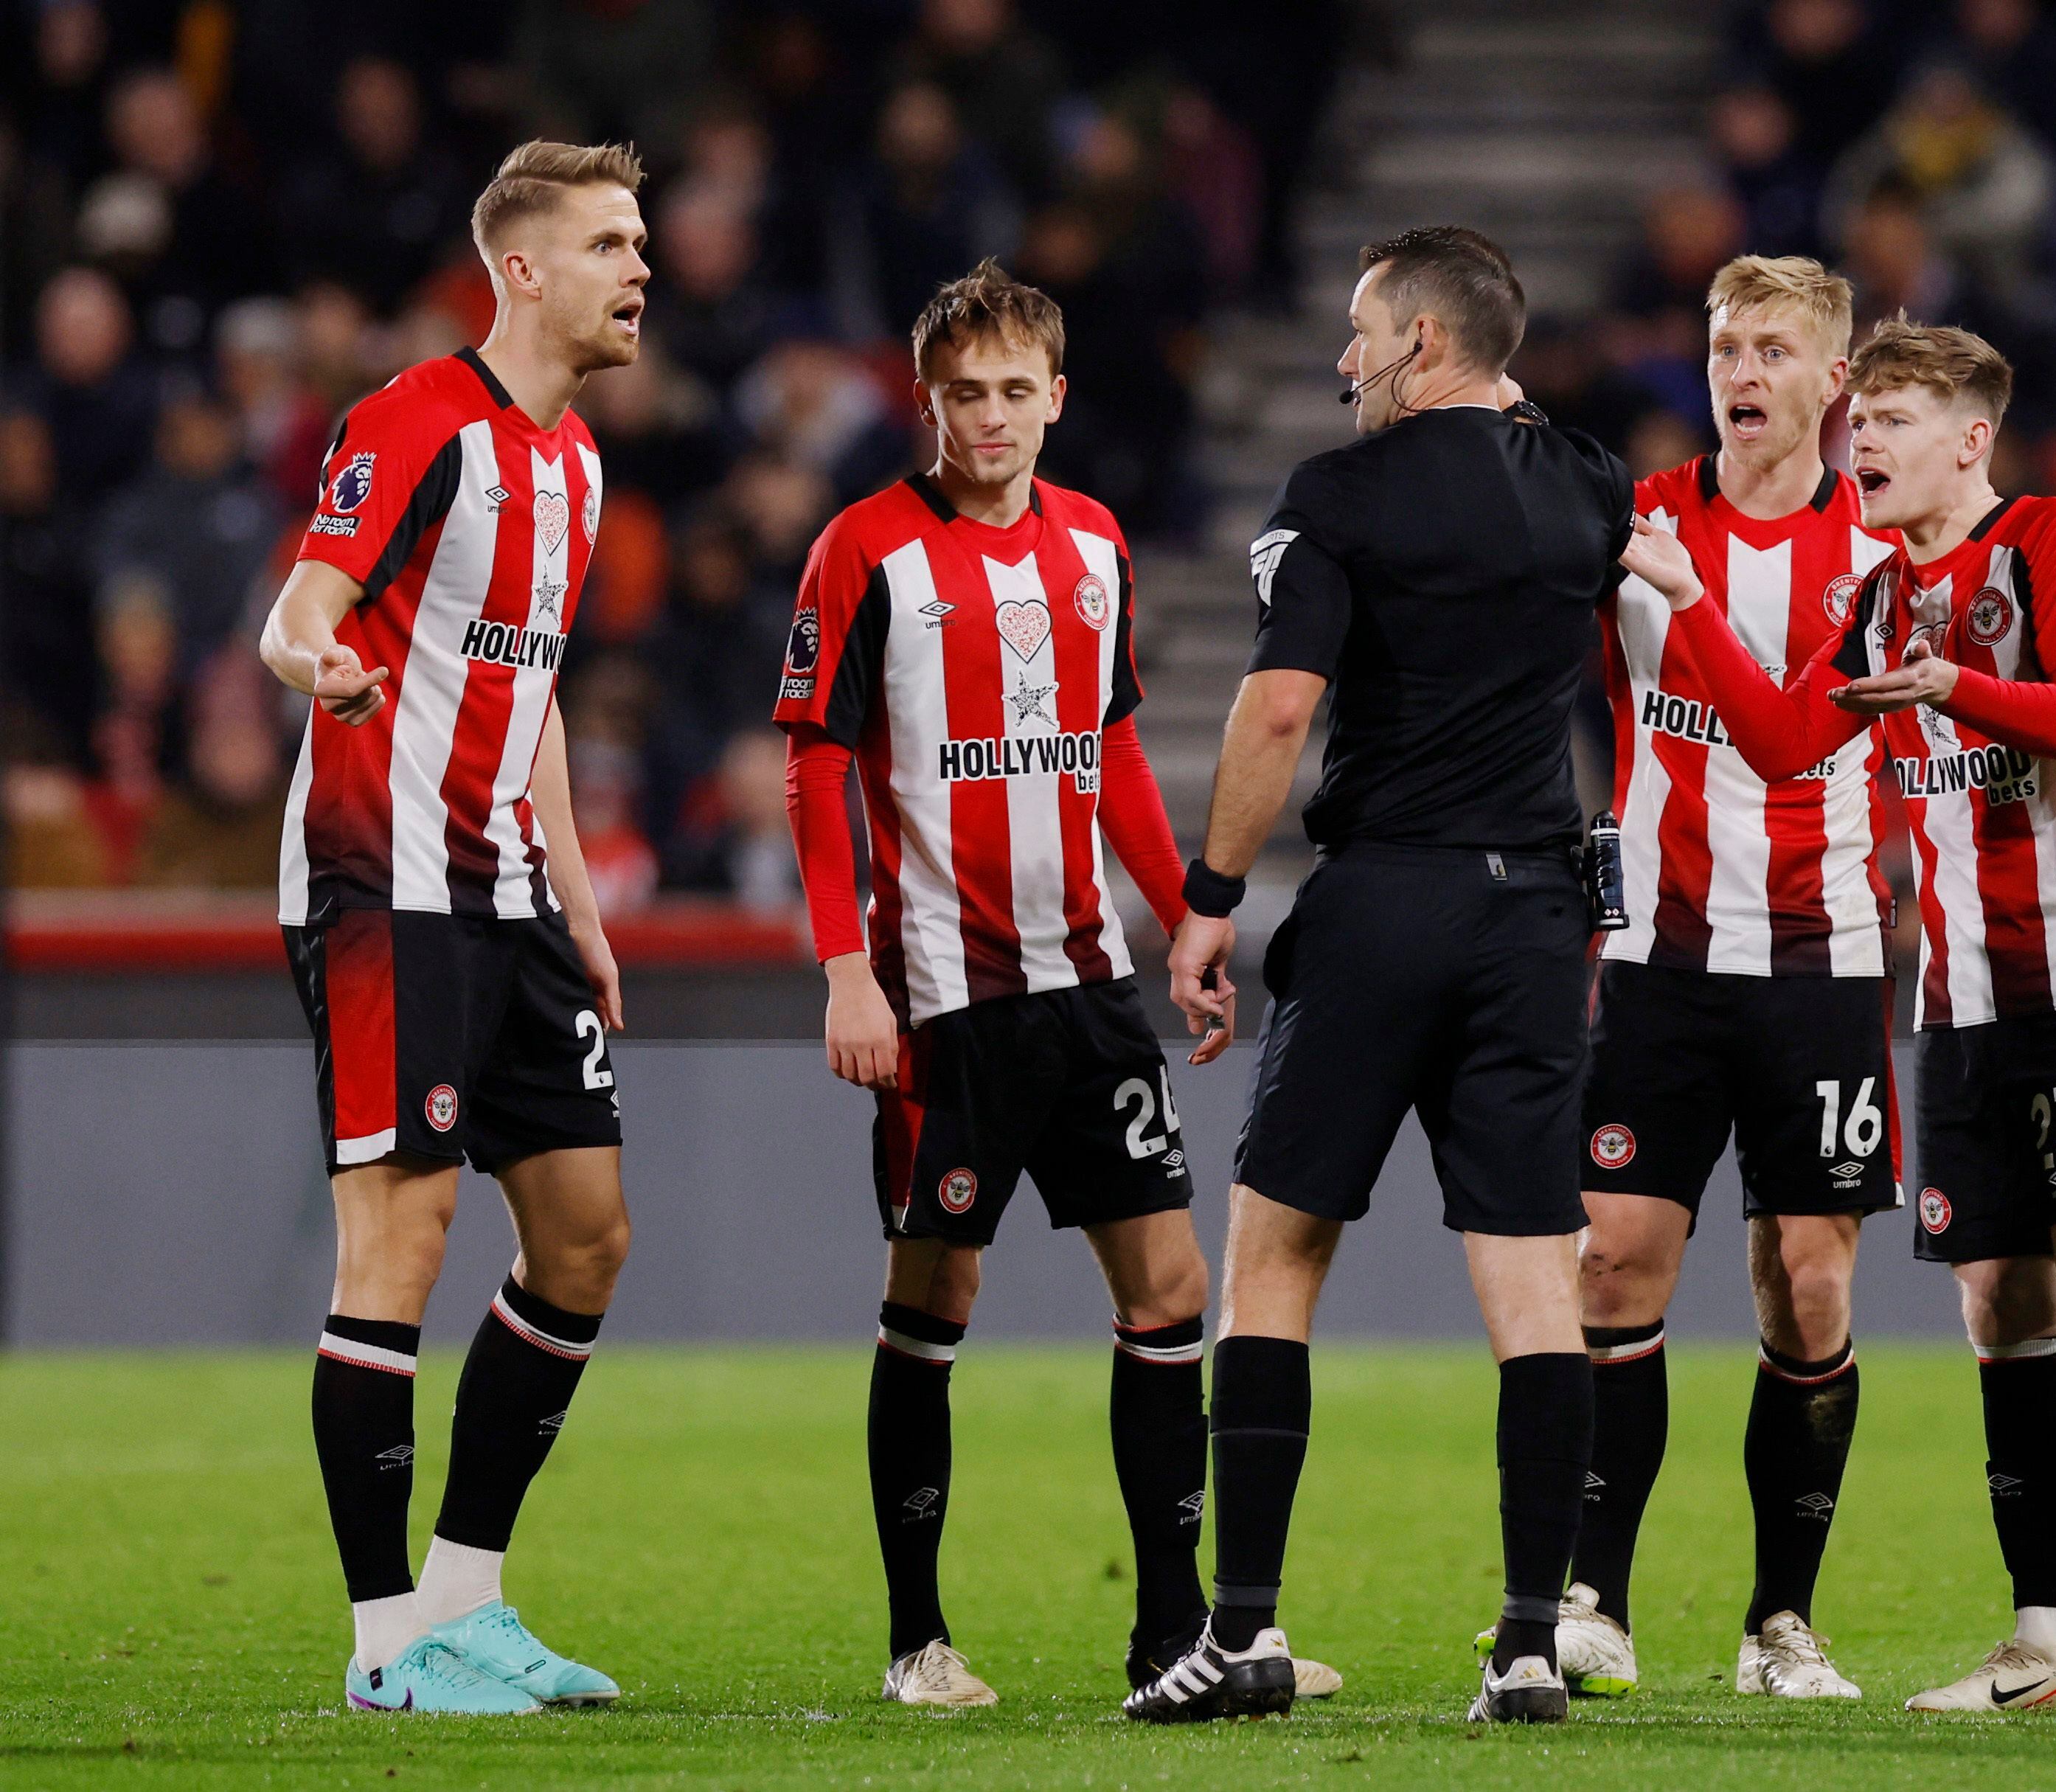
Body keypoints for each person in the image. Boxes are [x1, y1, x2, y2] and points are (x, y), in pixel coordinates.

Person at [772, 260, 1337, 1711]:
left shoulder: (1094, 546)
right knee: (933, 1292)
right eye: (965, 395)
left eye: (1017, 391)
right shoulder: (864, 552)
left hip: (1088, 989)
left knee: (1170, 1286)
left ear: (1058, 397)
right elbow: (816, 764)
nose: (992, 418)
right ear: (927, 402)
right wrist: (847, 973)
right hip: (944, 998)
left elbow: (1117, 748)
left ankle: (1172, 1640)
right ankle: (918, 1642)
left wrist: (1185, 922)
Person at [1622, 316, 2056, 1719]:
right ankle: (2046, 1638)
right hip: (1957, 996)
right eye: (1858, 417)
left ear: (1970, 438)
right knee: (1999, 1303)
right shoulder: (1881, 600)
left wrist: (1952, 684)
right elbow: (1772, 741)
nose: (1860, 440)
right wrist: (1689, 598)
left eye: (1891, 419)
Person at [1131, 226, 1634, 1726]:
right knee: (1537, 1281)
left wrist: (1209, 897)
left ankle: (1240, 1637)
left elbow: (1281, 711)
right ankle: (1534, 1640)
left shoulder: (1337, 498)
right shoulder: (1591, 488)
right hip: (1536, 911)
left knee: (1276, 1257)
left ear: (1421, 341)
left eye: (1362, 334)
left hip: (1387, 901)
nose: (1343, 361)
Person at [255, 141, 650, 1715]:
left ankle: (467, 1596)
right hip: (383, 879)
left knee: (584, 1235)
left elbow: (531, 690)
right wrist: (313, 667)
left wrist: (576, 890)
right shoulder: (417, 417)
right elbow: (307, 600)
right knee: (402, 1236)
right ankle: (382, 1647)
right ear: (523, 269)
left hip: (503, 889)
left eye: (642, 242)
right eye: (612, 243)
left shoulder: (578, 466)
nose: (642, 269)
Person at [1538, 254, 1900, 1706]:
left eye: (1770, 349)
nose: (1740, 372)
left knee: (1806, 1286)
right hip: (1659, 959)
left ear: (1833, 383)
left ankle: (1779, 1624)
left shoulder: (1877, 558)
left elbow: (1798, 741)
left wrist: (1684, 604)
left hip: (1818, 958)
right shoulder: (1631, 525)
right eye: (1723, 346)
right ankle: (1591, 1599)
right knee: (1614, 1257)